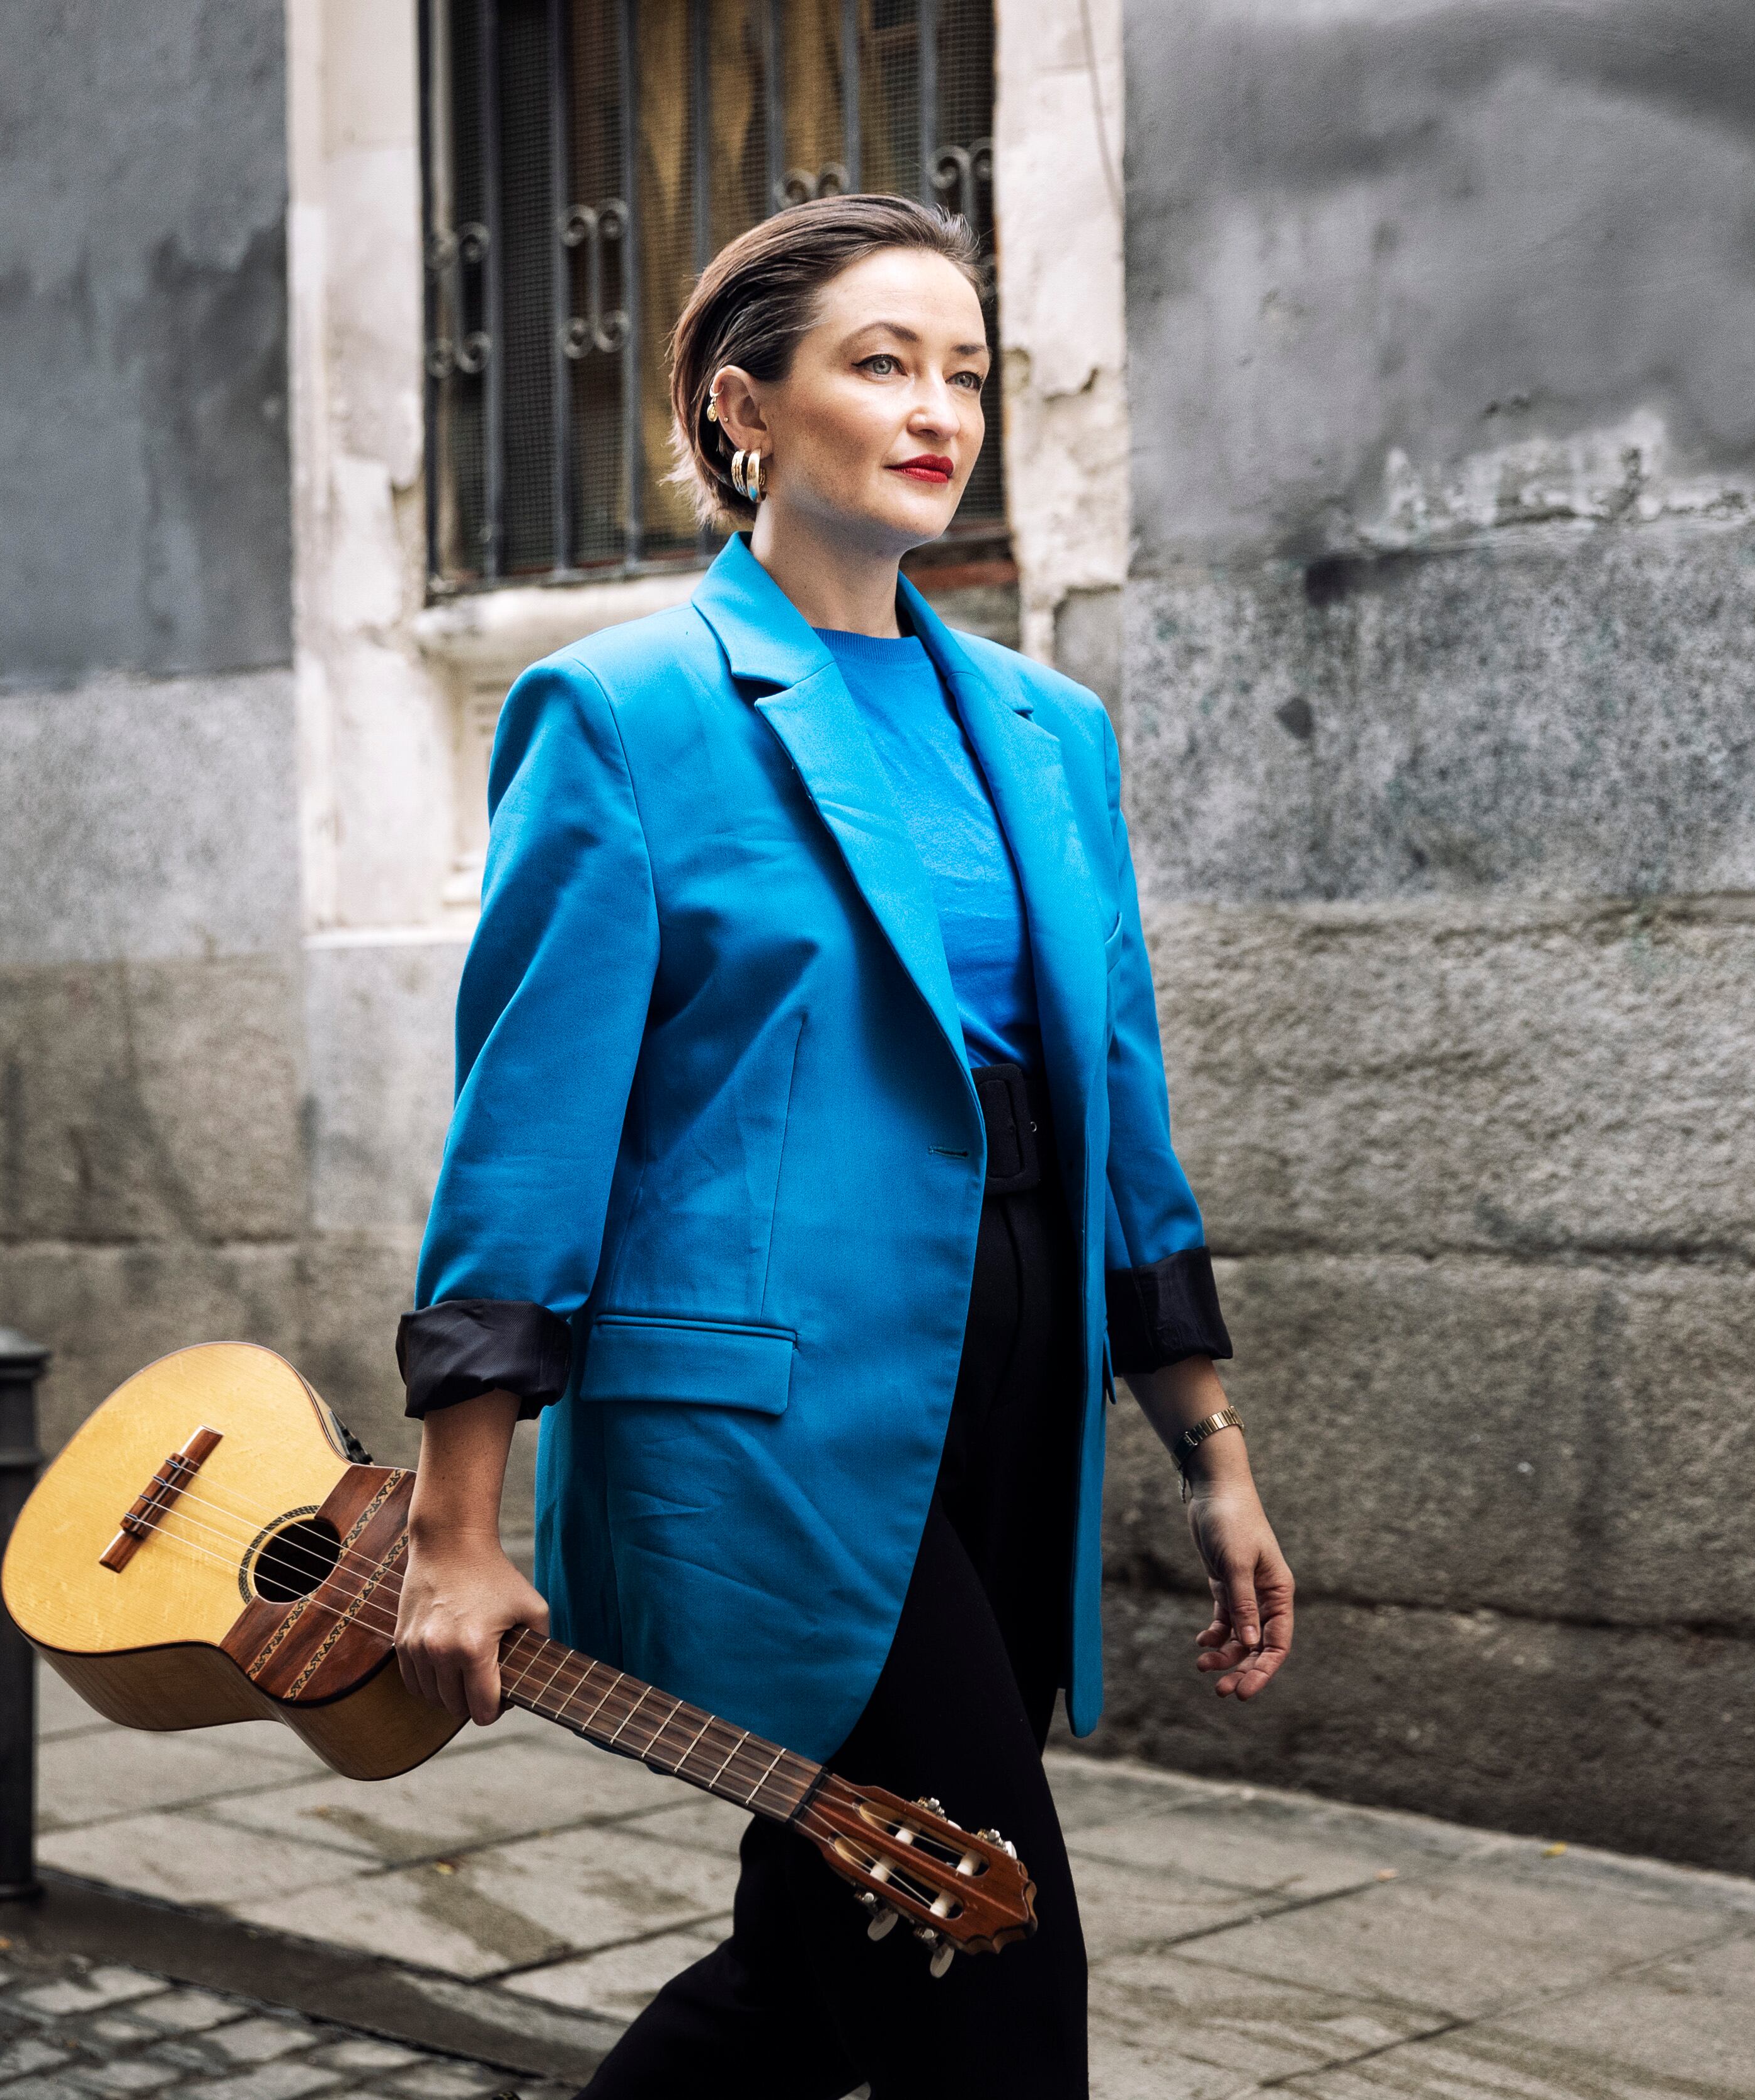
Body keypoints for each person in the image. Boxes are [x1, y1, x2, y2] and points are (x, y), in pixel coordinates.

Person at [387, 192, 1293, 2099]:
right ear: (745, 408)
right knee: (985, 1944)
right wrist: (458, 1530)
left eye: (965, 371)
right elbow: (529, 1132)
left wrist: (1208, 1447)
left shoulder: (1046, 730)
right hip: (777, 1431)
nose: (937, 409)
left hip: (1013, 1409)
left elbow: (1118, 1112)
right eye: (882, 364)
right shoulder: (626, 712)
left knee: (821, 1954)